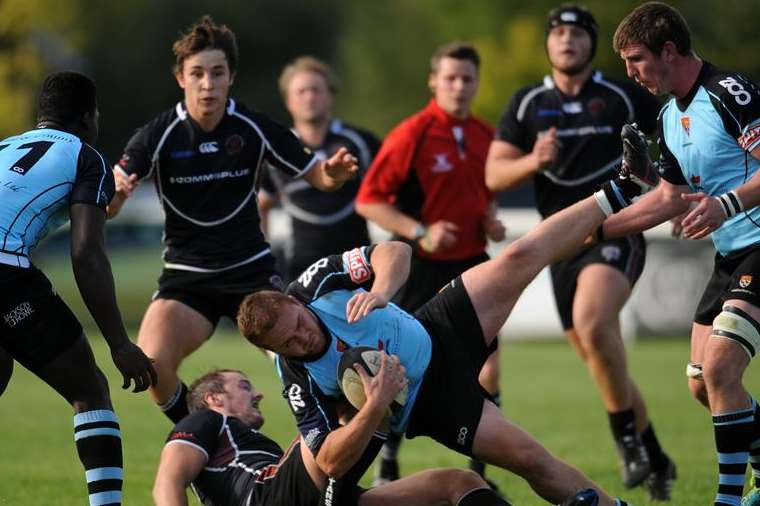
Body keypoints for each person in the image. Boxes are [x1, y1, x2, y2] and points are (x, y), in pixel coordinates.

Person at [237, 141, 653, 505]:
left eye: (299, 323)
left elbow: (395, 251)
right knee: (530, 459)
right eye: (289, 342)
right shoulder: (296, 377)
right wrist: (376, 403)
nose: (302, 337)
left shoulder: (313, 285)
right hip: (428, 402)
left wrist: (380, 291)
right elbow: (327, 459)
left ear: (293, 302)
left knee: (517, 257)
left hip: (435, 328)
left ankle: (621, 188)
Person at [107, 17, 358, 424]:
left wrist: (334, 173)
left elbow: (318, 175)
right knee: (152, 365)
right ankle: (215, 441)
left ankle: (330, 445)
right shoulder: (157, 135)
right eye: (197, 74)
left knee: (312, 350)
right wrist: (115, 198)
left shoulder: (254, 127)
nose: (208, 84)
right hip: (187, 279)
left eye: (217, 73)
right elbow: (112, 205)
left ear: (231, 77)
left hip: (251, 275)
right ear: (180, 78)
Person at [484, 4, 674, 499]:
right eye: (558, 33)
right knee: (597, 354)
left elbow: (675, 128)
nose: (567, 40)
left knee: (593, 323)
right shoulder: (527, 103)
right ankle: (654, 452)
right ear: (548, 44)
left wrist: (670, 184)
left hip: (617, 230)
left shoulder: (622, 94)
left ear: (592, 42)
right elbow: (493, 175)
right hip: (560, 245)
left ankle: (626, 439)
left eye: (577, 32)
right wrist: (532, 159)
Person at [601, 3, 760, 505]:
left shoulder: (729, 94)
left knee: (719, 369)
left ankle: (729, 500)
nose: (630, 74)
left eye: (636, 60)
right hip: (729, 256)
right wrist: (595, 228)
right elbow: (670, 197)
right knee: (701, 385)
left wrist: (726, 204)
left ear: (669, 50)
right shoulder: (670, 116)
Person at [0, 71, 157, 506]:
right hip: (4, 271)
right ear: (89, 118)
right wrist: (120, 343)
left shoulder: (4, 146)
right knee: (89, 389)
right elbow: (86, 254)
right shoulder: (86, 157)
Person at [355, 41, 506, 485]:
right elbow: (369, 200)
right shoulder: (412, 134)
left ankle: (481, 471)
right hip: (418, 265)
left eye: (467, 79)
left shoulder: (485, 134)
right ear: (434, 81)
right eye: (451, 78)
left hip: (473, 263)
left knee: (489, 370)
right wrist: (422, 231)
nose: (459, 86)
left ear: (477, 83)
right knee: (401, 365)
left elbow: (484, 193)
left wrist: (490, 220)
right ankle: (386, 462)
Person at [153, 367, 513, 506]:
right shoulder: (205, 420)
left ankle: (376, 402)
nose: (257, 393)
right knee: (335, 407)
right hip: (271, 498)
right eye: (244, 386)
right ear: (215, 399)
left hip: (315, 494)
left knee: (457, 482)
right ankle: (375, 397)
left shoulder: (258, 448)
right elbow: (167, 482)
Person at [258, 56, 381, 282]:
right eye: (301, 91)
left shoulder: (360, 142)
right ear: (288, 101)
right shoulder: (276, 150)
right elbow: (260, 204)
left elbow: (390, 193)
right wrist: (263, 259)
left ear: (330, 95)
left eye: (316, 90)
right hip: (300, 270)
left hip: (359, 267)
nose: (309, 97)